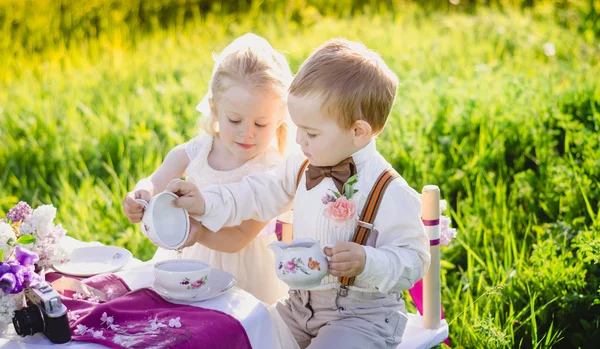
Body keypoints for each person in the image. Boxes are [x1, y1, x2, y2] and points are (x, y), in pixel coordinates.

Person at [165, 38, 431, 348]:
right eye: (298, 128)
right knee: (245, 334)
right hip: (298, 306)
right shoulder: (302, 163)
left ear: (358, 132)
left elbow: (414, 259)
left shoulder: (389, 190)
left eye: (311, 132)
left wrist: (368, 260)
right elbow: (257, 192)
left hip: (364, 317)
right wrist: (206, 202)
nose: (299, 139)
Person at [122, 33, 293, 305]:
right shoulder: (198, 150)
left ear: (279, 119)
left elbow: (239, 238)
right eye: (235, 120)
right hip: (191, 257)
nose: (247, 133)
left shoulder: (270, 171)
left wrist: (199, 232)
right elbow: (156, 180)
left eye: (261, 124)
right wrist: (141, 193)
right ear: (214, 109)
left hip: (245, 270)